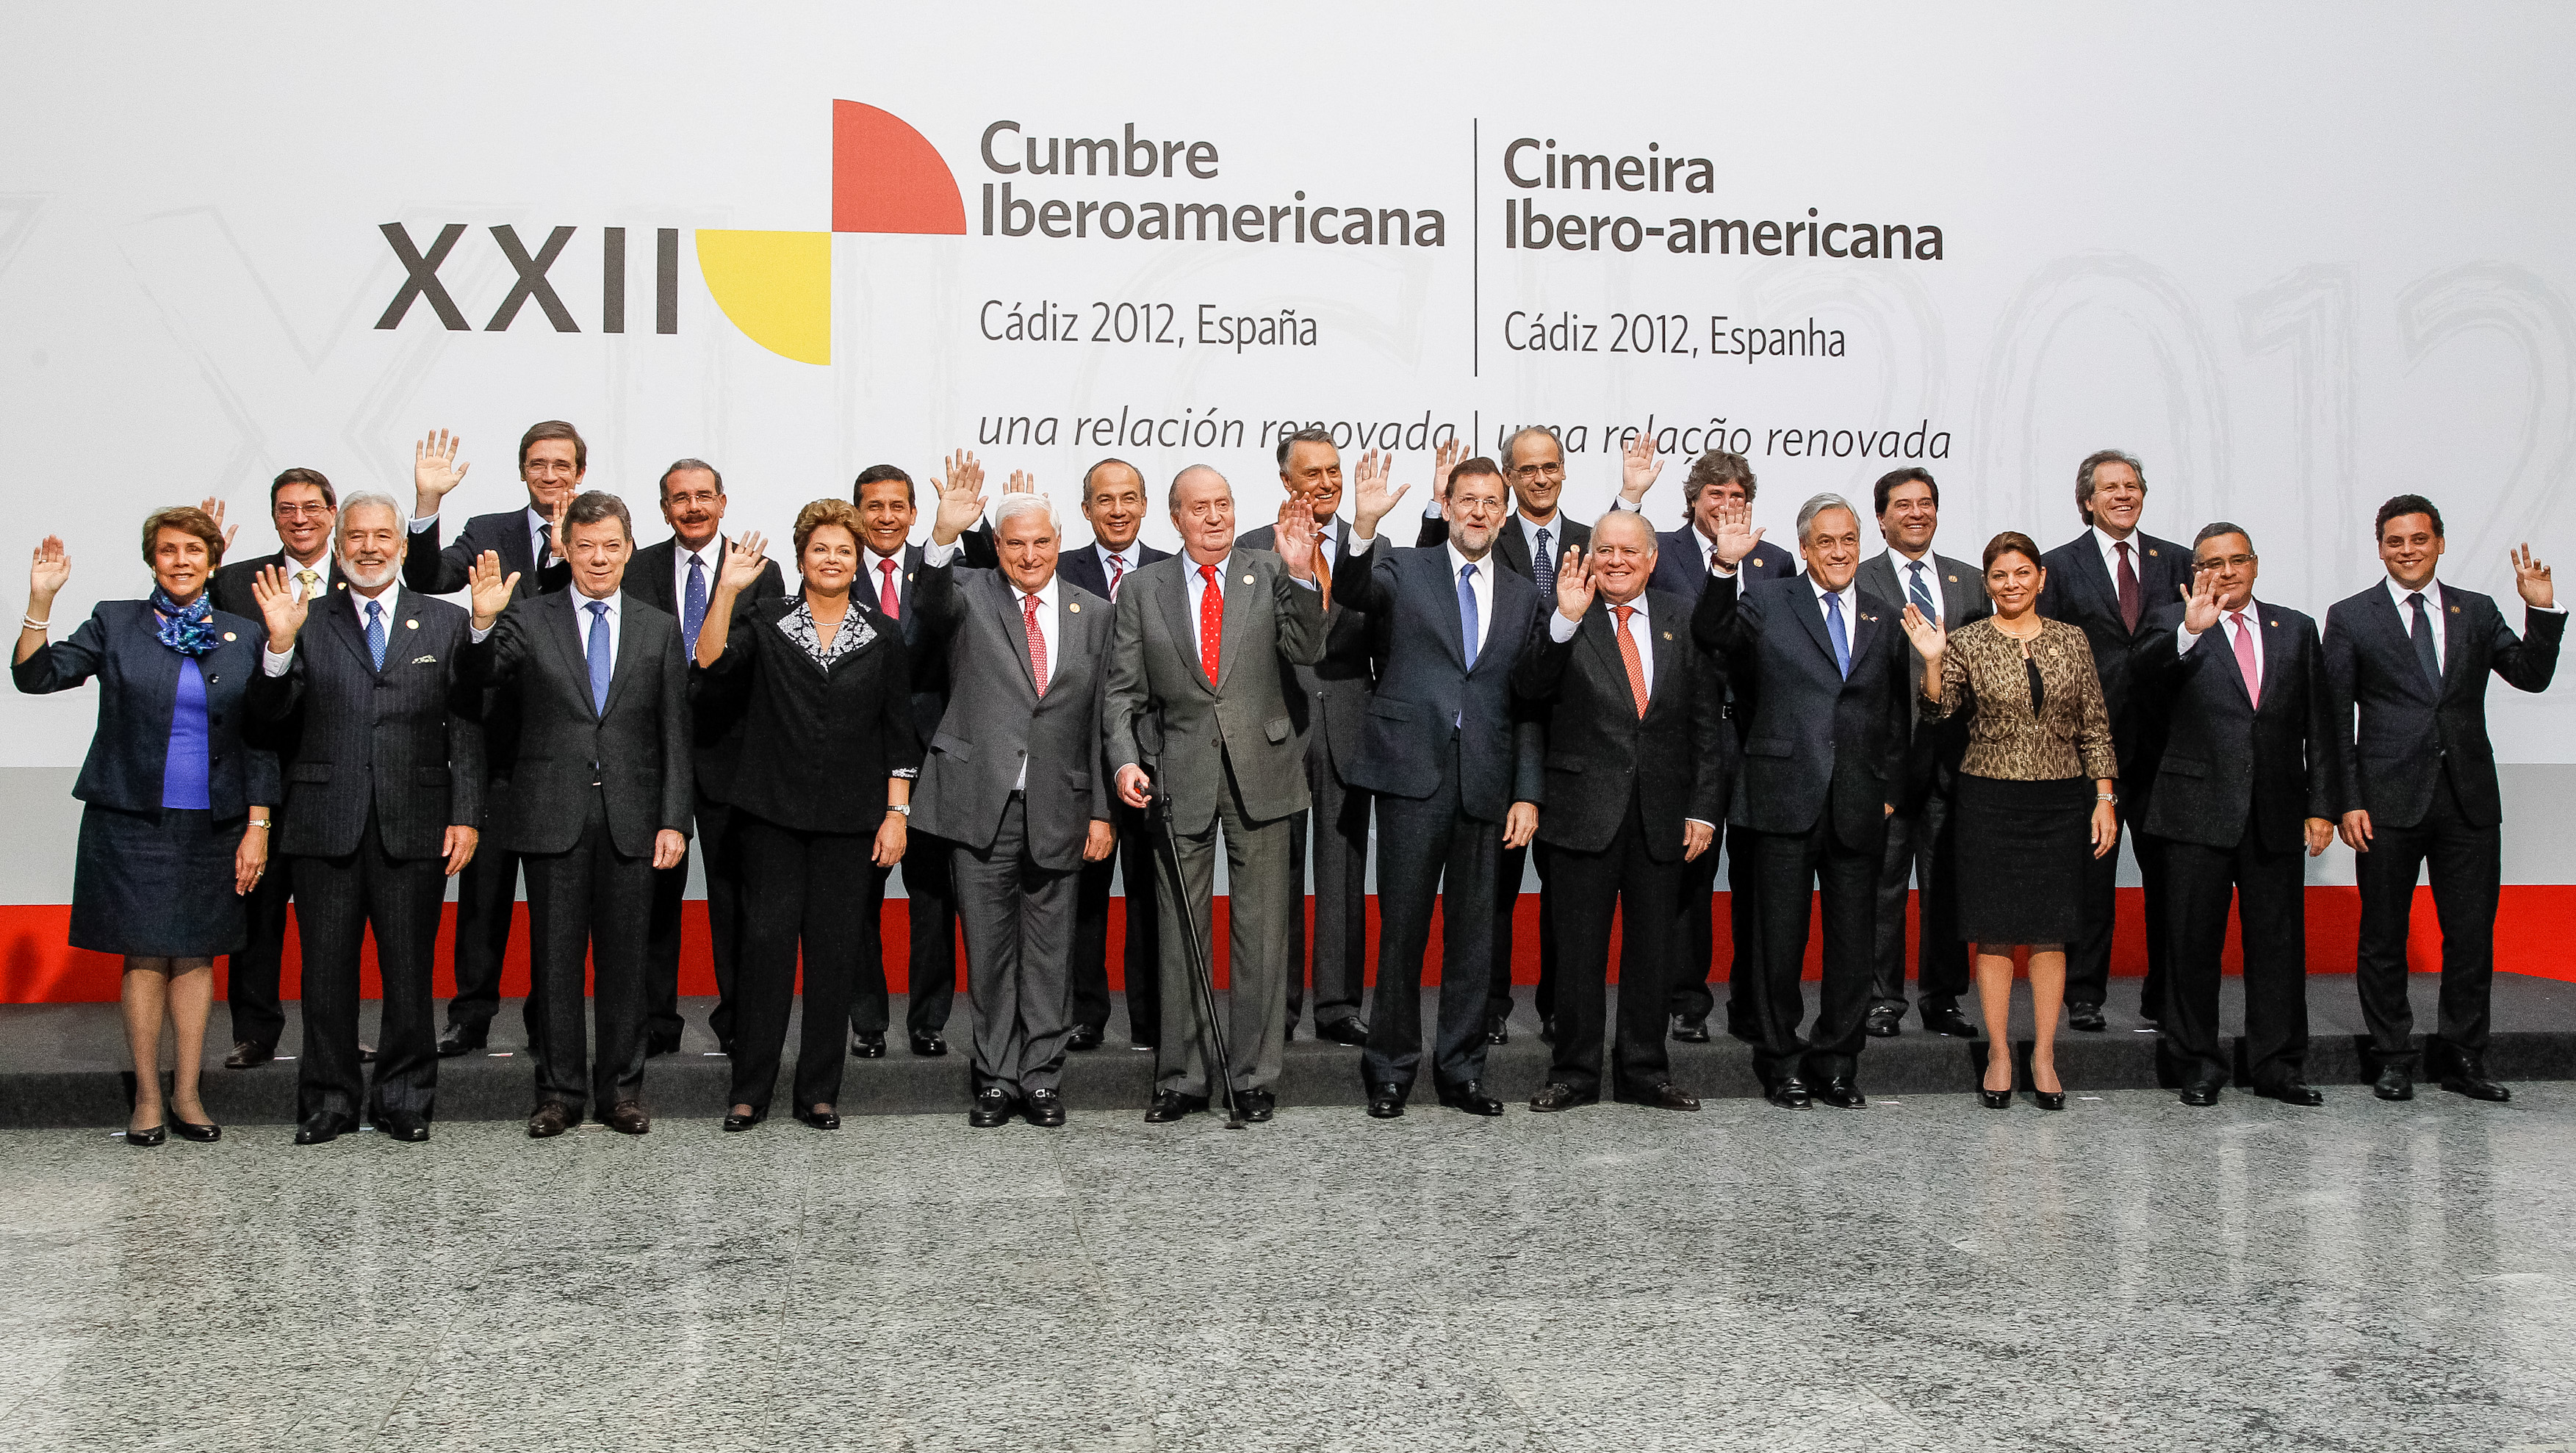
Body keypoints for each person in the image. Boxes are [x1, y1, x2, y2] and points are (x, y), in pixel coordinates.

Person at [14, 506, 276, 1145]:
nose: (180, 561)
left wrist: (258, 824)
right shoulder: (116, 621)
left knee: (196, 954)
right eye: (167, 550)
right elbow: (36, 677)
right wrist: (40, 602)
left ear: (212, 562)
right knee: (145, 954)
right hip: (131, 821)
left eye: (193, 550)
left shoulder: (245, 633)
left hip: (215, 823)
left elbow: (262, 737)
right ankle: (148, 1099)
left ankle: (188, 1093)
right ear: (151, 560)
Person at [245, 492, 483, 1143]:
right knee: (325, 973)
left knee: (409, 973)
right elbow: (267, 718)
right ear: (338, 545)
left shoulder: (446, 621)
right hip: (324, 821)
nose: (370, 548)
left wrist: (466, 814)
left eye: (383, 536)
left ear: (402, 547)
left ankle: (405, 1099)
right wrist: (278, 648)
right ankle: (329, 1101)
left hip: (418, 821)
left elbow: (465, 724)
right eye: (357, 537)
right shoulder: (304, 618)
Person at [461, 490, 692, 1137]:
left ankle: (621, 1092)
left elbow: (675, 734)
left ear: (629, 549)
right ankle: (559, 1094)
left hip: (634, 819)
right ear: (565, 548)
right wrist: (480, 624)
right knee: (555, 964)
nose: (598, 558)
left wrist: (675, 820)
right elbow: (480, 677)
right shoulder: (527, 617)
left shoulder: (658, 626)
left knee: (626, 964)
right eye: (585, 546)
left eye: (611, 546)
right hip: (550, 814)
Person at [1104, 464, 1324, 1124]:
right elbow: (1121, 692)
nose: (1214, 517)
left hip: (1265, 770)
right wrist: (1125, 761)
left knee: (1262, 932)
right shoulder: (1142, 589)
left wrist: (1303, 573)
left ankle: (1253, 1077)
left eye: (1223, 504)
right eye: (1198, 508)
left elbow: (1308, 647)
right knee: (1179, 932)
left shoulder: (1272, 569)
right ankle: (1182, 1078)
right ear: (1175, 518)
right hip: (1177, 777)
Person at [2326, 496, 2561, 1103]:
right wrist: (2346, 800)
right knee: (2383, 936)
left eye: (2419, 539)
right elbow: (2335, 718)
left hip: (2468, 800)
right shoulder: (2350, 617)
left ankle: (2464, 1057)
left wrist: (2541, 611)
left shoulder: (2476, 610)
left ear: (2440, 543)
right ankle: (2393, 1057)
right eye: (2395, 541)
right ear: (2381, 548)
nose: (2408, 550)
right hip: (2385, 801)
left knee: (2471, 936)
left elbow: (2531, 676)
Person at [693, 500, 916, 1131]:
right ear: (800, 559)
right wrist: (726, 592)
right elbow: (710, 662)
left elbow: (899, 735)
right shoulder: (765, 620)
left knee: (833, 956)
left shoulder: (884, 634)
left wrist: (896, 815)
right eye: (821, 549)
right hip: (771, 818)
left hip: (851, 824)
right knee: (764, 952)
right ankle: (749, 1091)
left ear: (858, 561)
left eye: (844, 550)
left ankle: (819, 1091)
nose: (832, 559)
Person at [1336, 453, 1541, 1117]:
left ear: (1504, 514)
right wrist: (1363, 526)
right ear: (1447, 506)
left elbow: (1529, 703)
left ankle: (1462, 1071)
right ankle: (1390, 1070)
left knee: (1475, 937)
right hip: (1411, 774)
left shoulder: (1524, 595)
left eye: (1491, 502)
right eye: (1468, 500)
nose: (1479, 511)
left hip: (1486, 780)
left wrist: (1527, 791)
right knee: (1402, 931)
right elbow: (1353, 592)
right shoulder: (1405, 568)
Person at [1694, 493, 1910, 1108]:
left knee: (1853, 945)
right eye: (1826, 542)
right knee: (1777, 943)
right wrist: (1725, 567)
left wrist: (1890, 791)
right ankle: (1781, 1060)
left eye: (1849, 540)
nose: (1839, 552)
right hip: (1781, 796)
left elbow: (1895, 713)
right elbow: (1712, 635)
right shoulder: (1768, 601)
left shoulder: (1884, 614)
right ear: (1806, 549)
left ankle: (1838, 1062)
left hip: (1858, 802)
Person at [914, 470, 1116, 1127]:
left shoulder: (1095, 612)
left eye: (1041, 542)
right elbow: (929, 604)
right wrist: (942, 534)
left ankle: (1043, 1078)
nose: (1030, 555)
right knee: (990, 952)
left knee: (1052, 953)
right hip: (981, 805)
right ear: (996, 546)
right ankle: (997, 1078)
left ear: (1060, 541)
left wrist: (1101, 812)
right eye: (1015, 544)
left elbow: (1102, 719)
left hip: (1062, 805)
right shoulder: (968, 593)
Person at [1511, 508, 1727, 1112]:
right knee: (1578, 951)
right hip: (1581, 811)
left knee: (1653, 951)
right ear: (1589, 557)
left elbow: (1705, 724)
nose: (1616, 561)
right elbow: (1527, 690)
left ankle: (1645, 1071)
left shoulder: (1682, 618)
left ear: (1652, 560)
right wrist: (1564, 621)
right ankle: (1575, 1073)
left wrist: (1704, 809)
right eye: (1604, 550)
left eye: (1630, 551)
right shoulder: (1561, 613)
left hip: (1663, 814)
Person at [1904, 532, 2118, 1110]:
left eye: (2022, 572)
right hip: (1989, 801)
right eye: (2000, 575)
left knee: (2051, 931)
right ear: (1988, 583)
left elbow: (2096, 725)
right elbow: (1938, 709)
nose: (2012, 583)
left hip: (2060, 802)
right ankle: (2000, 1053)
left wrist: (2104, 797)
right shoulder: (1968, 640)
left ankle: (2044, 1056)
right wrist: (1933, 661)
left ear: (2041, 578)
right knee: (1994, 930)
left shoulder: (2072, 639)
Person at [2135, 524, 2339, 1106]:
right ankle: (2197, 1064)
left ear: (2255, 564)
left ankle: (2278, 1066)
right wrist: (2188, 633)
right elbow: (2139, 685)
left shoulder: (2295, 628)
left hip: (2275, 809)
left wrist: (2322, 805)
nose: (2226, 572)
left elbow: (2320, 722)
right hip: (2194, 811)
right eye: (2212, 563)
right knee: (2192, 945)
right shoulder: (2171, 622)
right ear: (2195, 572)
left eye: (2237, 560)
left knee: (2278, 945)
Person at [1419, 427, 1605, 1045]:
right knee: (1493, 883)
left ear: (1564, 470)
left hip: (1578, 737)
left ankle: (1558, 1007)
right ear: (1508, 480)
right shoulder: (1486, 535)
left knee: (1566, 886)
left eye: (1550, 466)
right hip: (1500, 730)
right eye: (1527, 469)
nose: (1541, 478)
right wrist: (1432, 508)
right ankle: (1490, 1005)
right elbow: (1431, 584)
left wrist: (1630, 497)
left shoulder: (1591, 541)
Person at [405, 423, 585, 1058]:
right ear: (522, 471)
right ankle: (471, 1015)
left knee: (556, 903)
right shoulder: (489, 530)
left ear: (579, 473)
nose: (550, 475)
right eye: (538, 464)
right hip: (492, 744)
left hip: (563, 745)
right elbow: (427, 577)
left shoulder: (596, 530)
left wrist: (564, 558)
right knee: (483, 894)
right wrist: (428, 504)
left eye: (562, 465)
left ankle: (548, 1020)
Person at [625, 458, 783, 1056]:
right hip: (651, 754)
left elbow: (761, 659)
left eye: (703, 496)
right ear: (664, 509)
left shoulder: (760, 569)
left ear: (722, 502)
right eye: (680, 498)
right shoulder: (636, 568)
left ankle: (739, 1022)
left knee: (733, 897)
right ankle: (653, 1024)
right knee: (652, 897)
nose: (692, 507)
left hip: (731, 754)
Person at [1641, 447, 1794, 1046]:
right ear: (1693, 500)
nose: (1727, 505)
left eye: (1738, 496)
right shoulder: (1662, 551)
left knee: (1759, 877)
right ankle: (1686, 1001)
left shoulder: (1776, 560)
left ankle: (1753, 1006)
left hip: (1759, 738)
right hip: (1689, 737)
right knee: (1691, 875)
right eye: (1716, 495)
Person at [2036, 450, 2191, 1031]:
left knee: (2170, 879)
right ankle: (2084, 993)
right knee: (2091, 876)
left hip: (2166, 747)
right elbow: (2046, 655)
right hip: (2087, 750)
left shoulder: (2178, 561)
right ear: (2087, 501)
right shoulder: (2058, 565)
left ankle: (2166, 994)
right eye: (2110, 488)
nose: (2123, 495)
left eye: (2132, 486)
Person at [1240, 426, 1373, 1049]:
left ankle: (1339, 1005)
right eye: (1311, 473)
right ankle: (1281, 1006)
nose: (1325, 483)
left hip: (1348, 723)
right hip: (1277, 727)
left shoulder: (1369, 546)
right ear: (1285, 481)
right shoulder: (1251, 549)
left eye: (1333, 471)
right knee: (1278, 873)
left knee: (1343, 872)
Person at [207, 468, 344, 1070]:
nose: (300, 518)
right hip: (261, 767)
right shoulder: (236, 582)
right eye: (286, 509)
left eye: (311, 507)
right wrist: (202, 566)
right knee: (258, 910)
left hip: (341, 770)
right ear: (273, 518)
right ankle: (255, 1031)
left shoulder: (362, 576)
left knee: (332, 919)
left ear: (332, 513)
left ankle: (335, 1034)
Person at [1856, 467, 1987, 1039]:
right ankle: (1881, 999)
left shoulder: (1971, 582)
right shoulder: (1858, 579)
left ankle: (1943, 998)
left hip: (1954, 764)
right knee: (1882, 888)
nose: (1917, 513)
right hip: (1885, 765)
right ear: (1881, 517)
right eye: (1903, 505)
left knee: (1948, 887)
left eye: (1926, 503)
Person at [850, 463, 963, 1060]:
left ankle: (928, 1023)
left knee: (933, 897)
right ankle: (868, 1023)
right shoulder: (835, 568)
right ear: (857, 514)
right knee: (858, 898)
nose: (887, 517)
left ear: (916, 514)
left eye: (898, 506)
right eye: (875, 506)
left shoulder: (942, 566)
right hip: (859, 756)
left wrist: (957, 531)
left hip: (935, 752)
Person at [1057, 458, 1168, 1051]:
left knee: (1152, 896)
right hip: (1080, 758)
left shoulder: (1172, 570)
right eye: (1105, 500)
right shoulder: (1058, 569)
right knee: (1084, 898)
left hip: (1154, 759)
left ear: (1145, 505)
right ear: (1086, 510)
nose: (1118, 510)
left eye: (1129, 498)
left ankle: (1151, 1022)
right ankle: (1085, 1015)